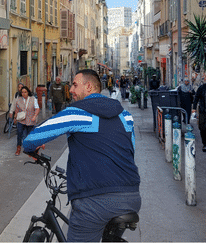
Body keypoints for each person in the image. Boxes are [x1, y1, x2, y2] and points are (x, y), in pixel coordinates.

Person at [23, 69, 141, 242]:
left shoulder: (77, 112)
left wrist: (30, 148)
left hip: (94, 202)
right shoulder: (125, 116)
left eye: (75, 85)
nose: (70, 89)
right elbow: (131, 150)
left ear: (89, 87)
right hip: (131, 197)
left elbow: (32, 138)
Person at [13, 86, 40, 156]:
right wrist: (15, 117)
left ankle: (31, 149)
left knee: (30, 135)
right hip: (21, 120)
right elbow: (17, 109)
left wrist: (34, 116)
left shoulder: (33, 99)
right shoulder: (19, 99)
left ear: (28, 92)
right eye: (22, 92)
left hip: (30, 120)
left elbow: (37, 109)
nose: (24, 94)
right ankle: (18, 148)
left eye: (25, 92)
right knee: (19, 133)